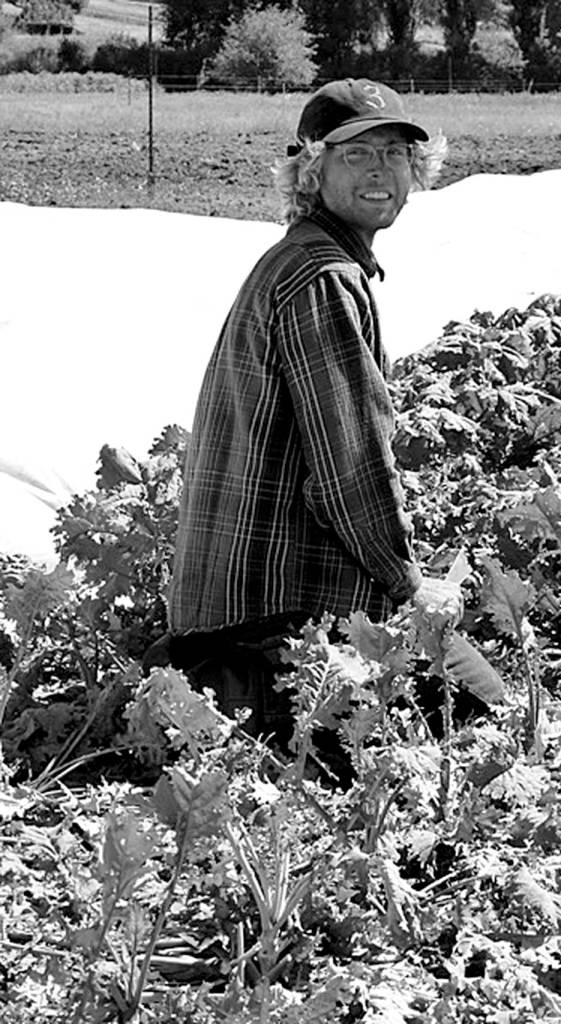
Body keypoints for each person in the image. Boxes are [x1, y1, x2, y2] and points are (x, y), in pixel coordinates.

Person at [161, 78, 460, 751]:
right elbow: (350, 467)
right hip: (273, 636)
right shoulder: (322, 278)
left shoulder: (304, 261)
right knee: (486, 716)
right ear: (310, 169)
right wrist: (411, 586)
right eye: (355, 156)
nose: (381, 172)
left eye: (394, 154)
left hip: (243, 621)